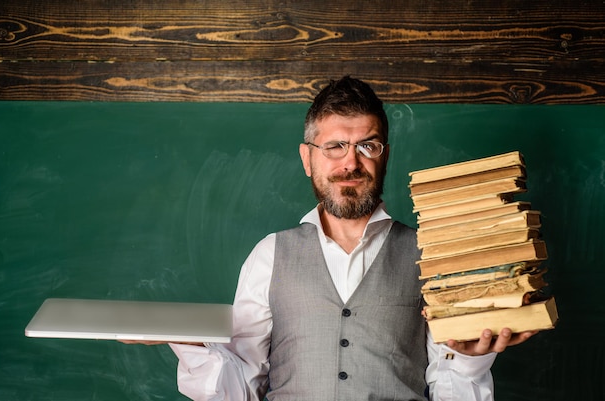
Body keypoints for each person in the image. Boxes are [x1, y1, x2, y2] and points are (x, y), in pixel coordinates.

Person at [133, 76, 535, 400]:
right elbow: (240, 392)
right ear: (308, 159)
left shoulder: (432, 253)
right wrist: (196, 346)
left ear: (385, 156)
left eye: (367, 145)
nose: (351, 162)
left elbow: (451, 387)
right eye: (335, 146)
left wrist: (468, 361)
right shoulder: (269, 256)